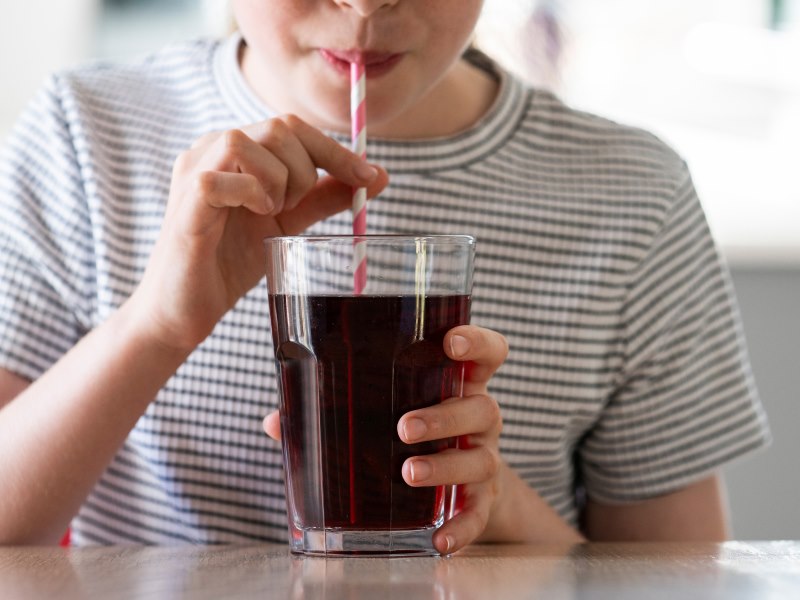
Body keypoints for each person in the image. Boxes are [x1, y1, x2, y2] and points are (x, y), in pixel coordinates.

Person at [0, 0, 769, 552]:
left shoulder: (634, 193)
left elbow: (678, 577)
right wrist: (157, 324)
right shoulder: (86, 134)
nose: (366, 6)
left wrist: (504, 516)